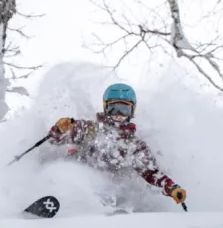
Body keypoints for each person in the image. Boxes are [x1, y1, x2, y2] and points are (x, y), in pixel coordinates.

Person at [45, 82, 186, 211]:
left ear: (132, 111)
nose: (119, 115)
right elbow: (55, 140)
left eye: (124, 109)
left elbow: (151, 173)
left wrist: (171, 188)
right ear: (106, 108)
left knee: (113, 194)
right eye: (114, 109)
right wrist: (59, 129)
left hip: (106, 193)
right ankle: (52, 199)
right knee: (61, 170)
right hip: (75, 177)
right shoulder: (91, 129)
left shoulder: (134, 145)